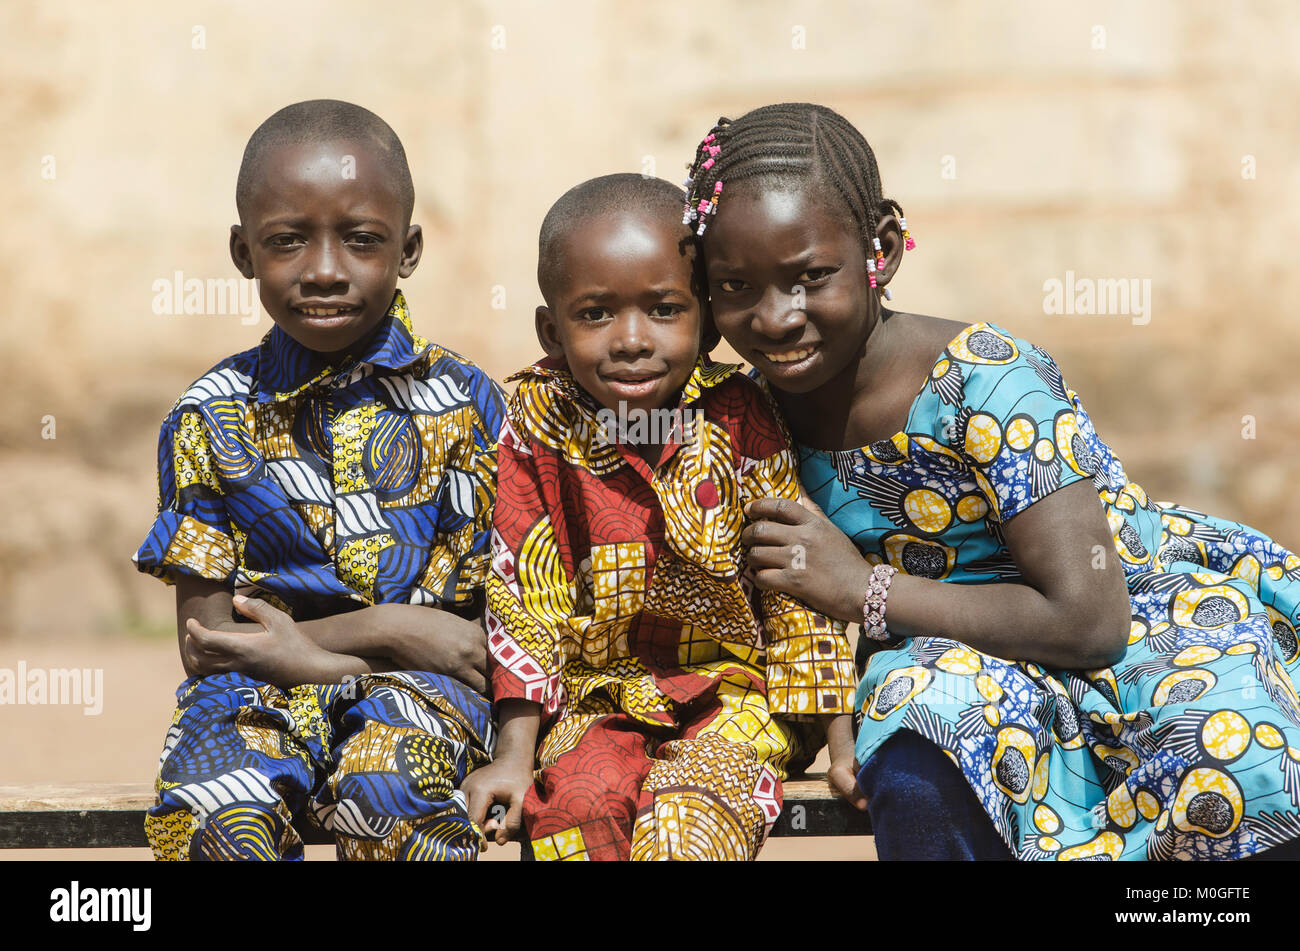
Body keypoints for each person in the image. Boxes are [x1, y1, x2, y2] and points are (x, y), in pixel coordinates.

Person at [682, 102, 1300, 860]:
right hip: (954, 651)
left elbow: (1091, 620)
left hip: (1132, 622)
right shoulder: (752, 415)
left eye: (812, 276)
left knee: (1228, 748)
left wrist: (866, 592)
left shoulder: (988, 382)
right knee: (914, 744)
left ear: (881, 249)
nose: (776, 317)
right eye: (735, 286)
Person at [132, 100, 505, 861]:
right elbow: (209, 646)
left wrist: (296, 644)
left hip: (428, 697)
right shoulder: (211, 415)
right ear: (243, 252)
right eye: (287, 241)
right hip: (252, 698)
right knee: (215, 807)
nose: (325, 269)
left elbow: (477, 648)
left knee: (394, 789)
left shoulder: (468, 405)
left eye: (362, 239)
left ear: (409, 248)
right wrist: (391, 627)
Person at [462, 173, 856, 860]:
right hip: (592, 701)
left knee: (687, 826)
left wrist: (842, 745)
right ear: (551, 331)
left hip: (736, 697)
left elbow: (796, 588)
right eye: (595, 315)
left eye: (665, 310)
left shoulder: (740, 416)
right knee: (577, 813)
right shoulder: (534, 425)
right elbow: (522, 599)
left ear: (703, 322)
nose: (632, 339)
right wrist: (514, 757)